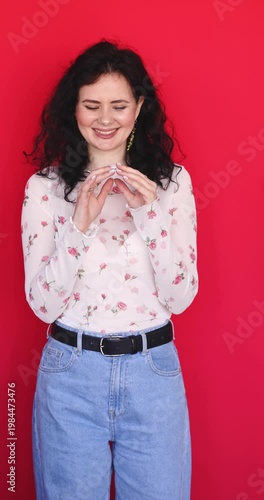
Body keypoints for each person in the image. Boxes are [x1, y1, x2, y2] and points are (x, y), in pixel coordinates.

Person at [21, 40, 198, 500]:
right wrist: (78, 224)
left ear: (139, 108)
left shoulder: (172, 184)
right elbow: (42, 305)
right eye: (91, 105)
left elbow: (181, 297)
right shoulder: (44, 188)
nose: (105, 119)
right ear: (73, 109)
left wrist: (149, 215)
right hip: (71, 374)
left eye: (119, 105)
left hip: (153, 372)